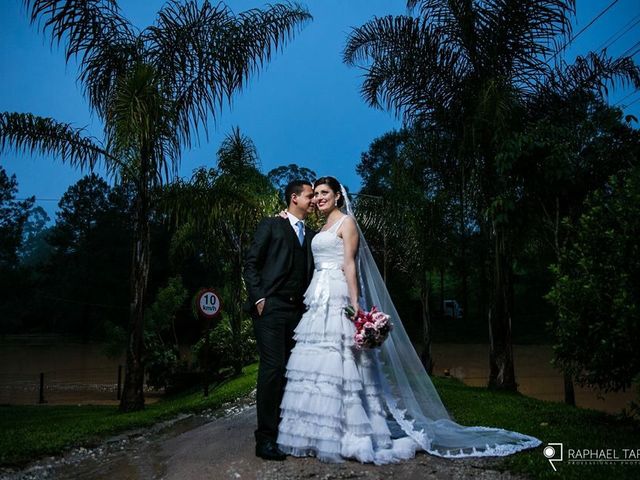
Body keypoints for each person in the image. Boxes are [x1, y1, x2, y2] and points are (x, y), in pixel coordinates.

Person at [276, 176, 543, 464]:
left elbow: (350, 265)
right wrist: (284, 218)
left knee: (345, 362)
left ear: (338, 196)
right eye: (315, 194)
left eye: (324, 193)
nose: (318, 198)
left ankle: (351, 432)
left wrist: (357, 309)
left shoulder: (346, 224)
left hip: (339, 293)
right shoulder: (321, 227)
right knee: (319, 365)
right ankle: (319, 431)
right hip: (318, 295)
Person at [243, 179, 316, 461]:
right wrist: (260, 299)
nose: (312, 201)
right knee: (272, 369)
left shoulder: (311, 235)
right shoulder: (271, 225)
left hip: (298, 312)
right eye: (309, 196)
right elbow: (251, 264)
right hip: (271, 309)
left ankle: (286, 431)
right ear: (294, 197)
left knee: (291, 372)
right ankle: (265, 439)